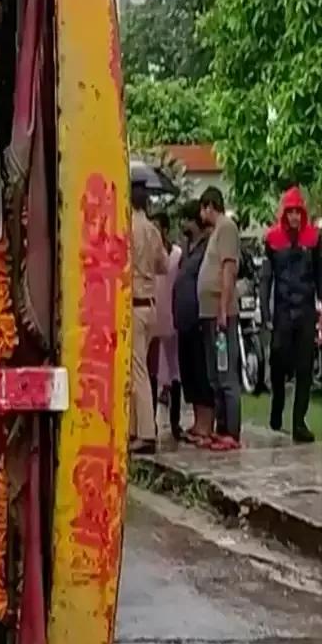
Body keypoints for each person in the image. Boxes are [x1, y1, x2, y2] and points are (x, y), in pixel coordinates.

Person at [260, 186, 322, 443]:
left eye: (298, 212)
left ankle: (299, 422)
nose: (295, 217)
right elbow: (266, 278)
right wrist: (265, 310)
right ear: (284, 214)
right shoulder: (272, 240)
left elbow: (320, 276)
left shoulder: (314, 239)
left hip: (306, 309)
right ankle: (277, 404)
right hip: (283, 310)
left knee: (305, 368)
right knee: (278, 361)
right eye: (291, 212)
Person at [197, 186, 242, 448]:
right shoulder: (216, 232)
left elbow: (228, 269)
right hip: (209, 313)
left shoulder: (226, 228)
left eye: (203, 209)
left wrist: (223, 308)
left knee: (225, 373)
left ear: (209, 206)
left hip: (219, 312)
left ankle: (231, 431)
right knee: (215, 372)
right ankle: (221, 425)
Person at [130, 181, 169, 453]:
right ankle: (135, 428)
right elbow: (164, 265)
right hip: (150, 304)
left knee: (137, 369)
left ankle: (145, 431)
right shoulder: (152, 230)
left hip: (133, 304)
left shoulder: (126, 228)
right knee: (137, 366)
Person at [175, 209, 213, 443]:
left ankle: (206, 425)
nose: (183, 224)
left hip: (198, 317)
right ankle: (198, 423)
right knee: (189, 371)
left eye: (186, 218)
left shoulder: (206, 248)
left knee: (201, 372)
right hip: (183, 319)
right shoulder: (188, 248)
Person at [152, 212, 183, 439]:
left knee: (175, 371)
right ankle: (150, 420)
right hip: (153, 317)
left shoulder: (176, 255)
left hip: (172, 316)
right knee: (152, 369)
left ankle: (175, 421)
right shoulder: (149, 255)